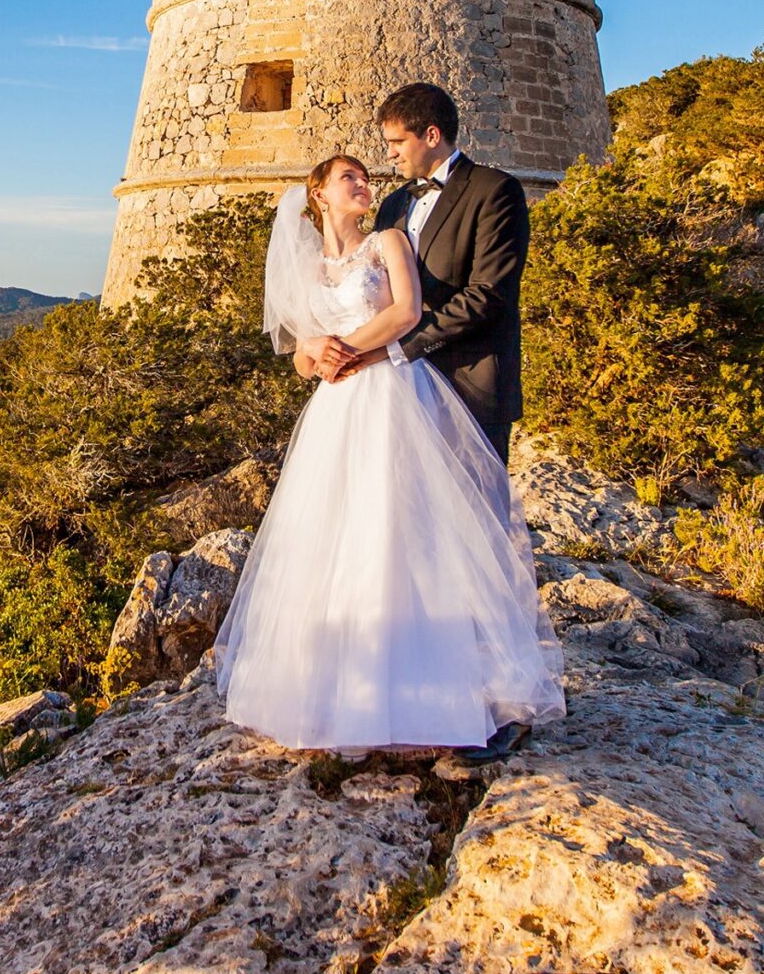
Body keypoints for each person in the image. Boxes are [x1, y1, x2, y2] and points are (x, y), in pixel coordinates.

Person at [208, 151, 564, 759]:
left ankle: (437, 687)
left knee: (406, 530)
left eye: (367, 175)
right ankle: (342, 688)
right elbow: (299, 356)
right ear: (318, 194)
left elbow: (408, 312)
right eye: (349, 177)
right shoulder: (311, 268)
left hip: (394, 392)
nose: (366, 183)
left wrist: (345, 347)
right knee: (335, 537)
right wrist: (318, 350)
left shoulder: (388, 241)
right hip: (337, 406)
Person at [308, 83, 529, 463]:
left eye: (396, 142)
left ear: (431, 135)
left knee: (478, 513)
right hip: (399, 392)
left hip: (470, 381)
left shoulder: (494, 190)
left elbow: (488, 295)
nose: (389, 154)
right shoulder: (394, 204)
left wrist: (391, 350)